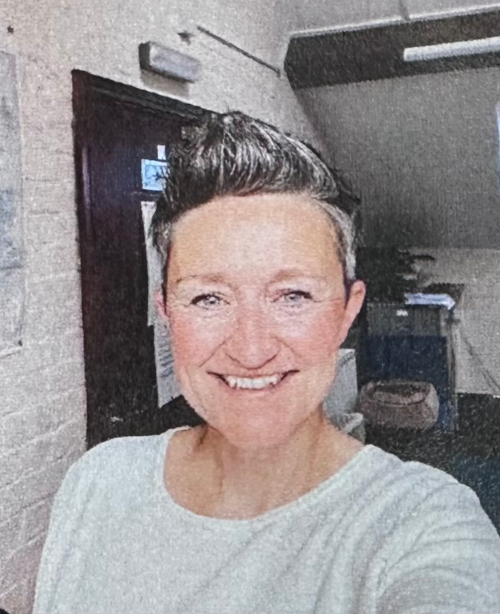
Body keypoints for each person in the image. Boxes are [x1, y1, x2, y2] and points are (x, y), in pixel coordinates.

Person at [34, 112, 500, 614]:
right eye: (209, 298)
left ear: (347, 312)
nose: (251, 350)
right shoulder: (98, 480)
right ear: (166, 314)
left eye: (293, 295)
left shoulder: (420, 523)